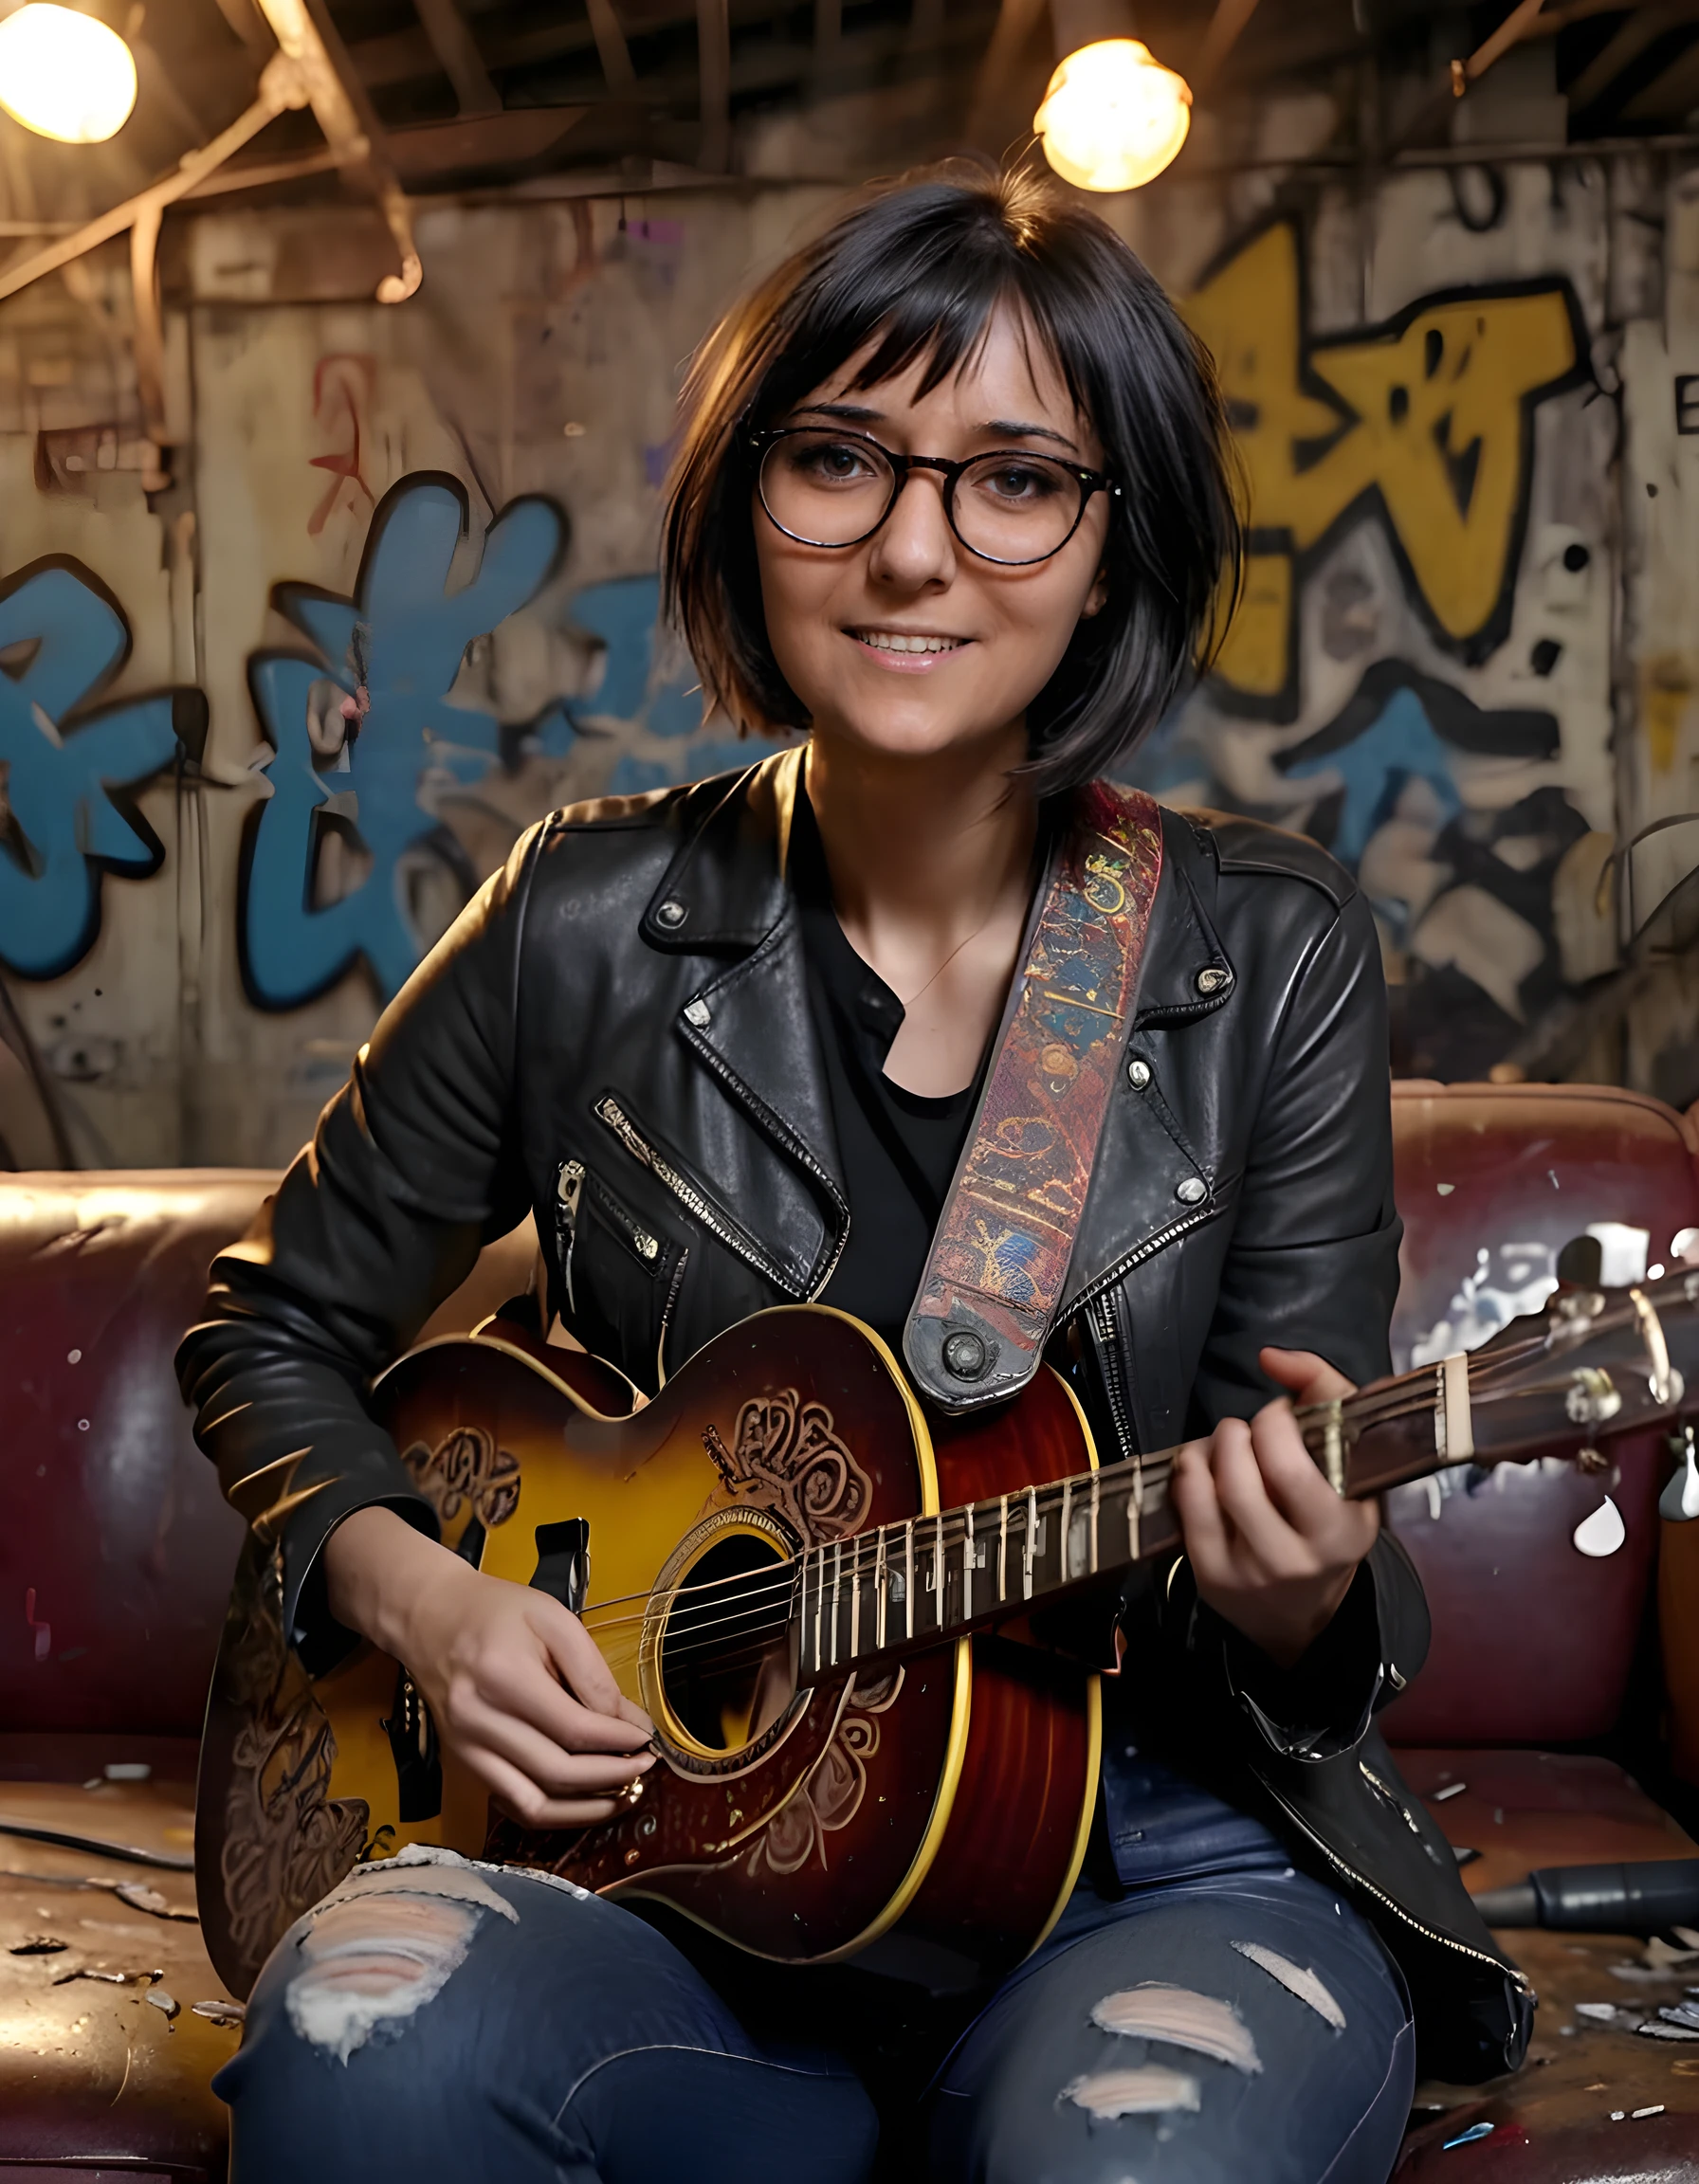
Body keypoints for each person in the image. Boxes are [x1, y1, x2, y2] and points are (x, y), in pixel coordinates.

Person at [178, 161, 1527, 2184]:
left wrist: (1289, 1593)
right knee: (362, 2052)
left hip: (1133, 1854)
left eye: (1011, 480)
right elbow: (264, 1325)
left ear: (1106, 547)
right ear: (746, 497)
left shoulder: (1267, 955)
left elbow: (1297, 1529)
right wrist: (430, 1604)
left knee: (1132, 2153)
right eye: (840, 461)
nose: (912, 551)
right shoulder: (582, 915)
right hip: (656, 1884)